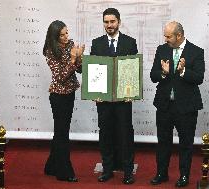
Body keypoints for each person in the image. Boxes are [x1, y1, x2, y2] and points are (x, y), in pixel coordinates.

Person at [150, 21, 205, 187]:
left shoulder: (196, 51)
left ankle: (184, 176)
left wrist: (183, 71)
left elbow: (199, 78)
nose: (165, 39)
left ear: (179, 35)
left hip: (186, 107)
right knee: (163, 142)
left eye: (168, 36)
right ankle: (161, 173)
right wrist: (163, 73)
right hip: (165, 106)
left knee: (186, 143)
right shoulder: (162, 49)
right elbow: (153, 76)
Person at [90, 8, 138, 184]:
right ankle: (107, 169)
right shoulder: (96, 43)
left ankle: (127, 172)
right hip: (103, 100)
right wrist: (95, 93)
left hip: (123, 99)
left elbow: (133, 69)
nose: (109, 25)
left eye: (112, 22)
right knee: (105, 134)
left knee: (125, 134)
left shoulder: (130, 42)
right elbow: (93, 69)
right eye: (106, 22)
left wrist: (132, 92)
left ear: (119, 21)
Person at [43, 20, 85, 182]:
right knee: (62, 133)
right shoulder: (50, 51)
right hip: (58, 96)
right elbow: (60, 77)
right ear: (54, 36)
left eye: (67, 32)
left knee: (61, 130)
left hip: (69, 93)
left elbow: (79, 70)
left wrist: (79, 57)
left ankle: (51, 166)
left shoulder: (70, 44)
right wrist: (73, 60)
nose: (66, 37)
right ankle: (64, 172)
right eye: (62, 35)